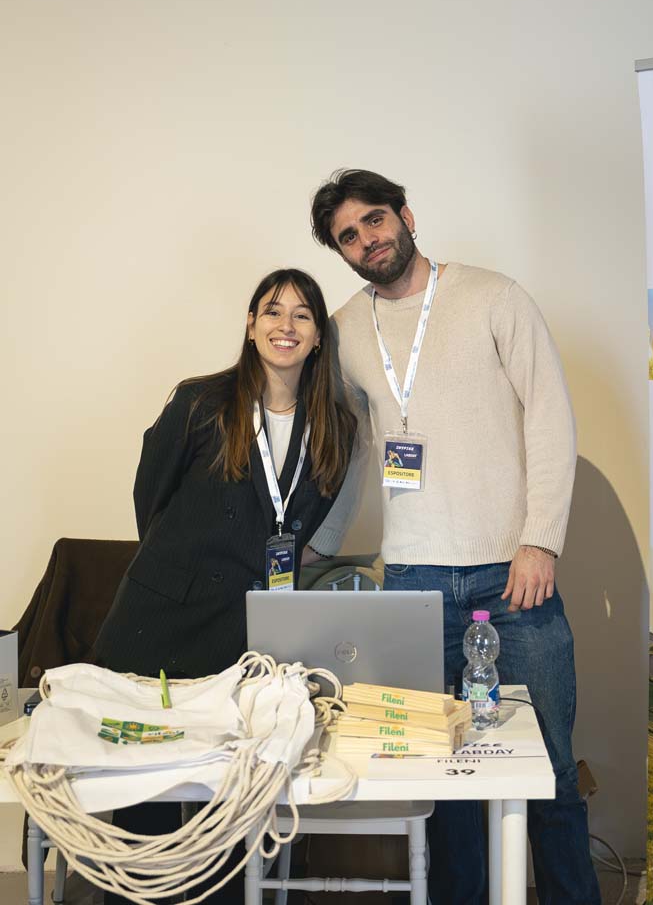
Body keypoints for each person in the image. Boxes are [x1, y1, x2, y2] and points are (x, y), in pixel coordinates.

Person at [309, 169, 601, 905]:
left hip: (513, 575)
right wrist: (321, 543)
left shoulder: (494, 297)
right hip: (412, 583)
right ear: (341, 252)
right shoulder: (343, 331)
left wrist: (541, 540)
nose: (368, 240)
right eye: (348, 236)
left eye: (375, 220)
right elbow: (352, 450)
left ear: (405, 215)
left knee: (550, 775)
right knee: (446, 782)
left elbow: (550, 417)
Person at [93, 267, 355, 905]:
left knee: (233, 797)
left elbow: (305, 520)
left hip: (248, 633)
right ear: (250, 324)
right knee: (147, 796)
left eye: (301, 315)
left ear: (318, 336)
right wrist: (183, 567)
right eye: (272, 311)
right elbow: (150, 500)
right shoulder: (200, 402)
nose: (285, 326)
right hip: (162, 622)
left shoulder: (335, 426)